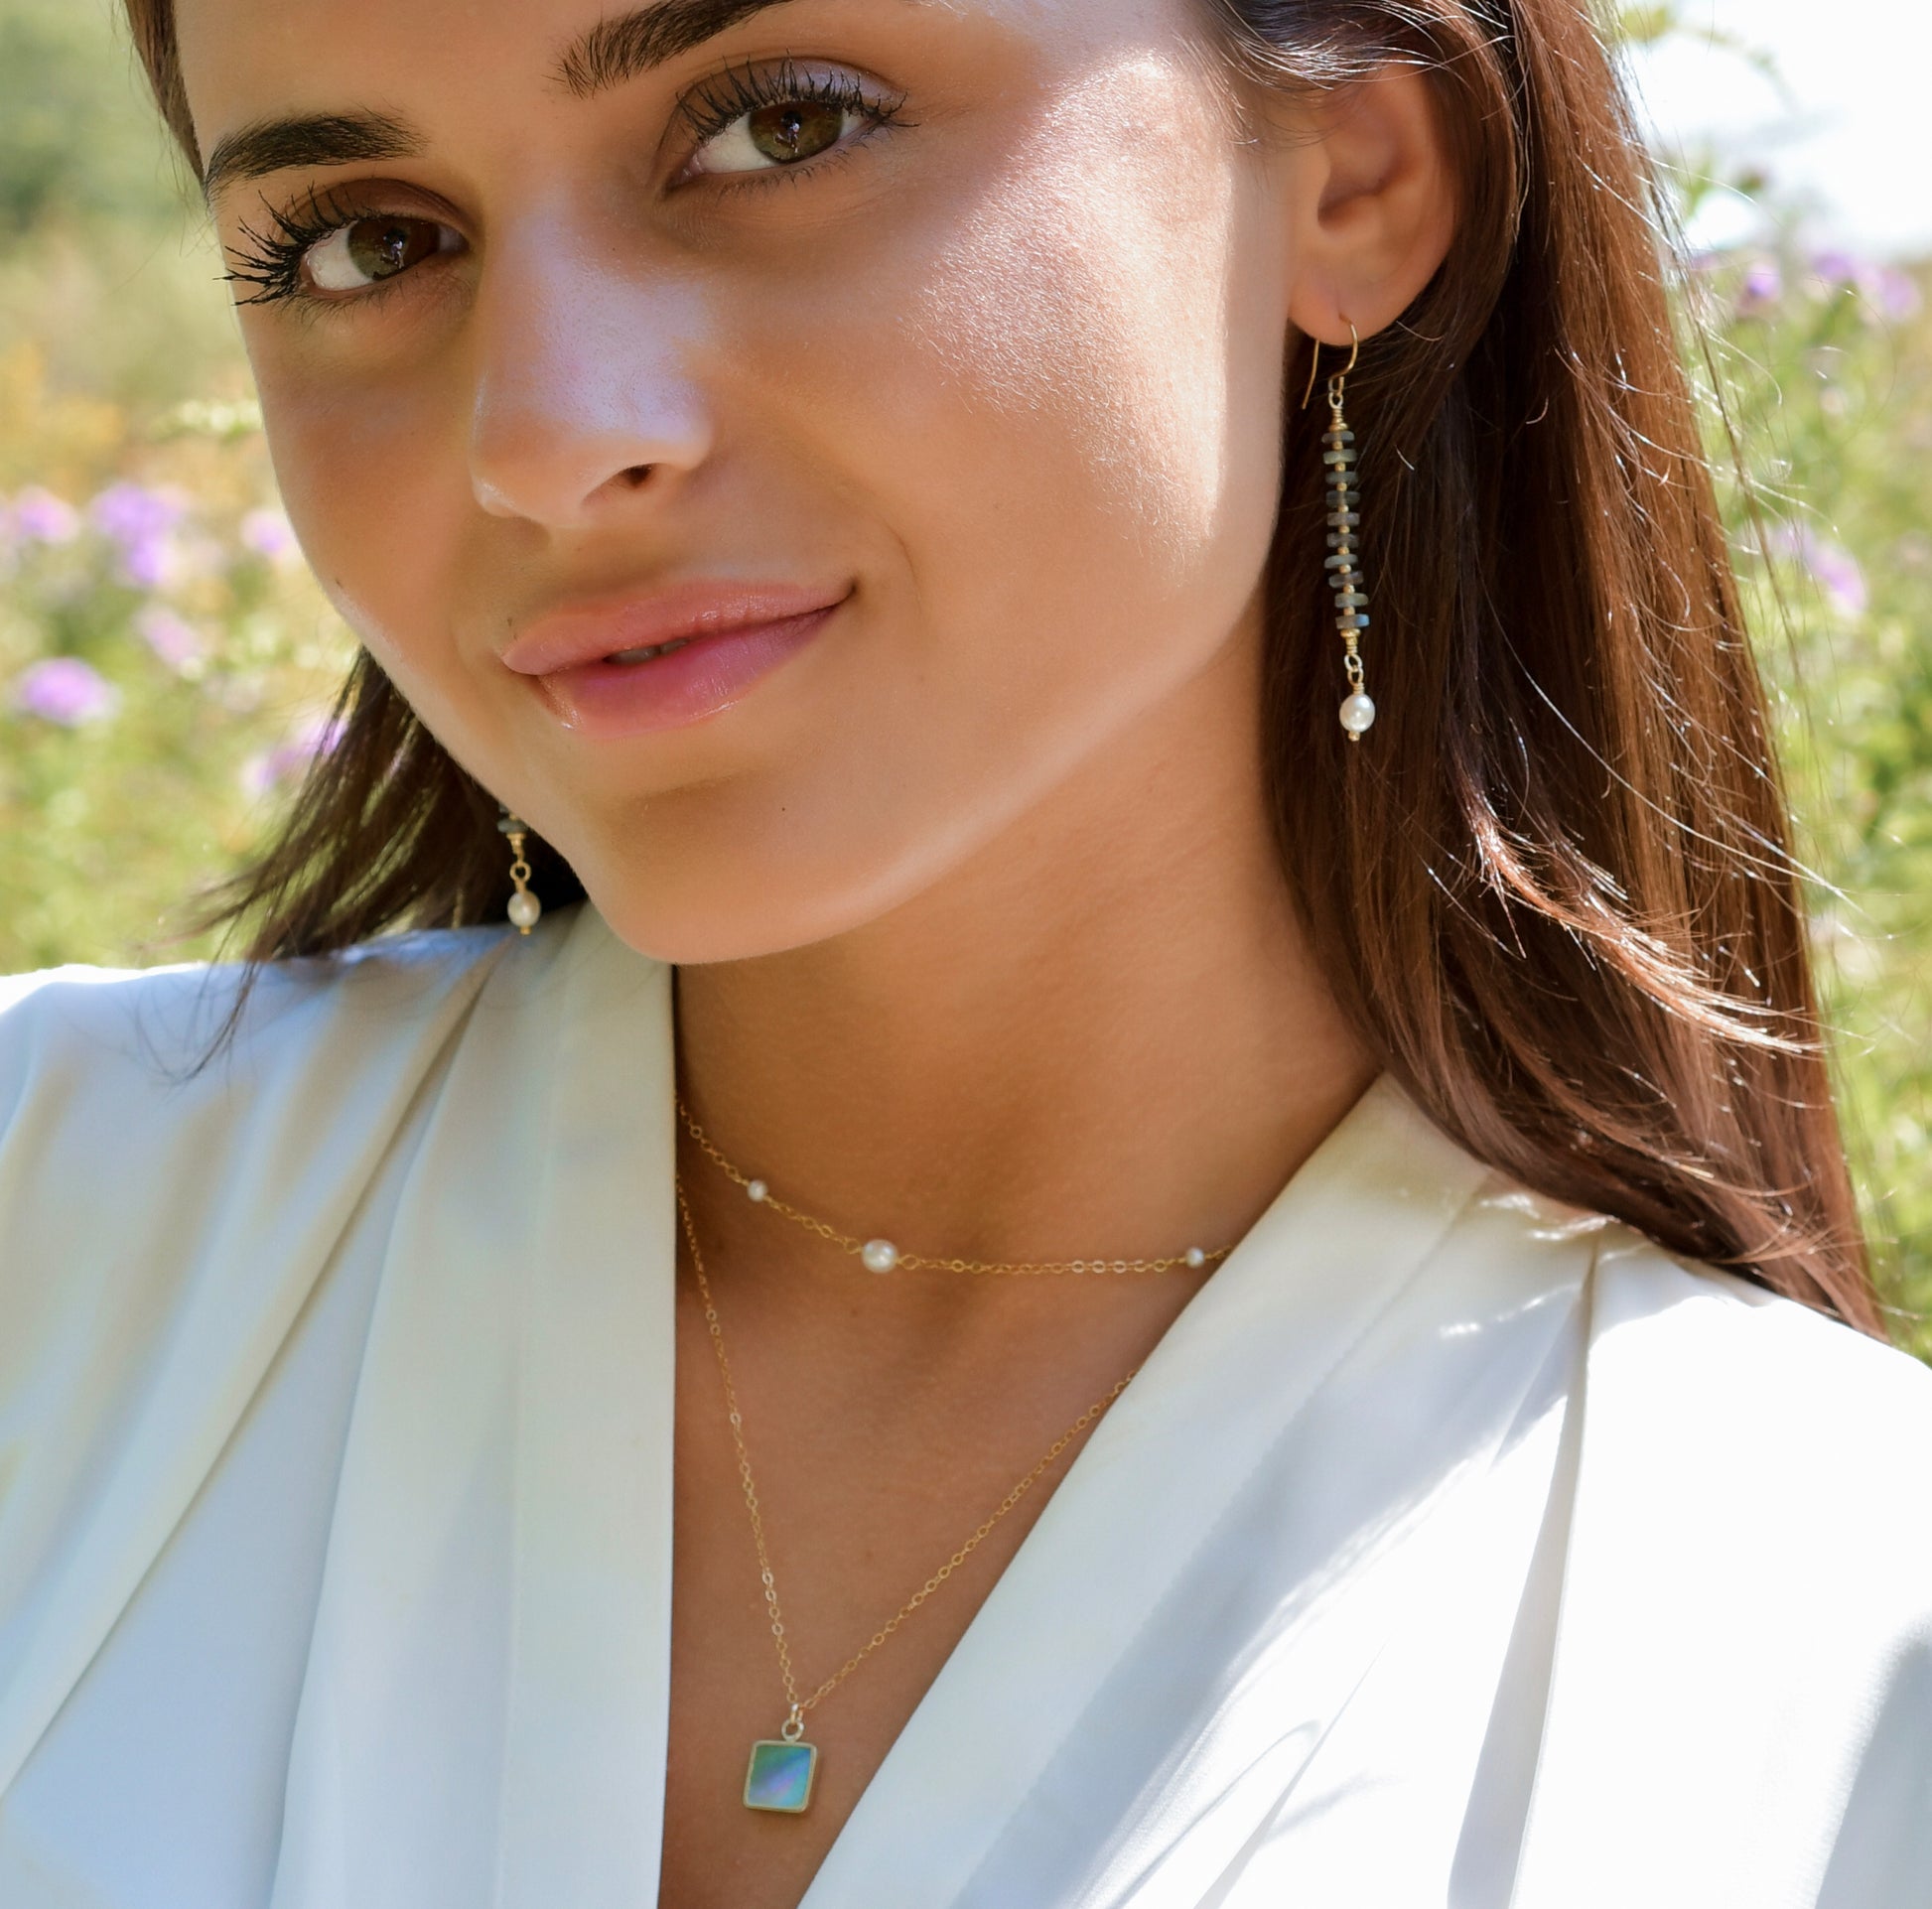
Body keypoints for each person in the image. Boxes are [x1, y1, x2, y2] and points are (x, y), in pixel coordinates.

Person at [1, 0, 1928, 1903]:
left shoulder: (1833, 1648)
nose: (545, 437)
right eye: (365, 241)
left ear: (1354, 174)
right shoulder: (49, 1227)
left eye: (781, 125)